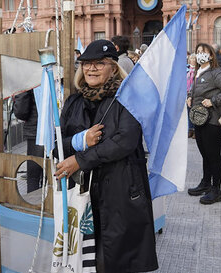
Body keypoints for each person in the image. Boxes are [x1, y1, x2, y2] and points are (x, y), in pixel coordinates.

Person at [54, 39, 158, 273]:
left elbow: (125, 141)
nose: (91, 68)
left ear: (113, 66)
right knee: (84, 255)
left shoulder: (127, 99)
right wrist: (81, 140)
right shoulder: (73, 101)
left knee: (114, 258)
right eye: (86, 63)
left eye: (99, 63)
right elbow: (56, 144)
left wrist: (80, 159)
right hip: (80, 192)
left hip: (119, 190)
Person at [186, 43, 221, 204]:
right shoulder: (199, 71)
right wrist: (189, 96)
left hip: (212, 121)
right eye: (198, 51)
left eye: (203, 51)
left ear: (211, 55)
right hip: (200, 120)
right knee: (205, 154)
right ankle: (205, 183)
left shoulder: (216, 72)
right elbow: (197, 90)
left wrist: (214, 101)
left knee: (213, 156)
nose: (200, 54)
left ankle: (216, 190)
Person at [14, 90, 44, 193]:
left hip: (35, 131)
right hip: (56, 130)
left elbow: (21, 111)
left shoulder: (28, 79)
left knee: (33, 177)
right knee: (52, 174)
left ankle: (33, 206)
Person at [187, 53, 196, 138]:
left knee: (194, 111)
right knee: (188, 112)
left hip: (194, 92)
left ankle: (195, 130)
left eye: (194, 59)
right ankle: (190, 129)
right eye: (191, 59)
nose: (192, 60)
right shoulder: (186, 69)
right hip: (186, 93)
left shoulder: (198, 70)